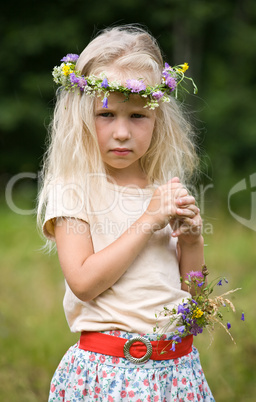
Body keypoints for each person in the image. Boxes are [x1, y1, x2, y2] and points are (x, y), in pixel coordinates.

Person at [38, 25, 215, 401]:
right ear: (81, 115)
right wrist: (149, 220)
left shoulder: (161, 189)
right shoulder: (73, 190)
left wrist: (193, 241)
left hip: (176, 372)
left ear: (159, 119)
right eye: (106, 115)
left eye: (137, 116)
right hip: (111, 374)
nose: (122, 132)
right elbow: (83, 282)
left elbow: (193, 300)